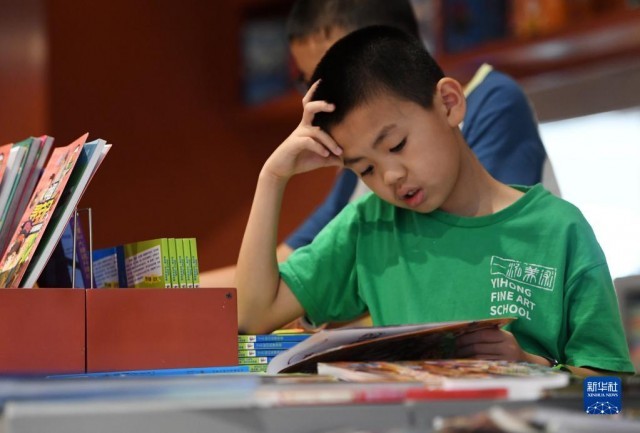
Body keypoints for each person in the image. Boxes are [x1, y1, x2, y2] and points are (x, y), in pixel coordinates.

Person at [235, 25, 634, 376]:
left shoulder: (560, 230)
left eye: (397, 145)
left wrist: (534, 366)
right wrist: (272, 177)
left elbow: (612, 400)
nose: (390, 177)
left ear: (448, 103)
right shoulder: (370, 226)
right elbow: (253, 316)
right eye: (366, 169)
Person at [200, 0, 548, 288]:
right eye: (309, 83)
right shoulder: (365, 161)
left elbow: (484, 251)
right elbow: (291, 263)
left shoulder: (493, 100)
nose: (323, 98)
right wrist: (178, 284)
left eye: (338, 71)